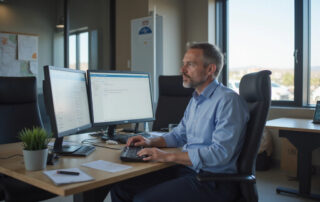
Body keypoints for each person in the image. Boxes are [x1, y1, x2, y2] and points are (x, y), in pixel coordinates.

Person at [110, 43, 249, 202]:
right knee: (121, 188)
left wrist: (167, 156)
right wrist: (150, 141)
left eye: (190, 64)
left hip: (213, 181)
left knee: (143, 200)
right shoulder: (196, 99)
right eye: (183, 64)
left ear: (210, 69)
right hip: (188, 171)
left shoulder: (228, 101)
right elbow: (179, 134)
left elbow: (220, 154)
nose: (182, 70)